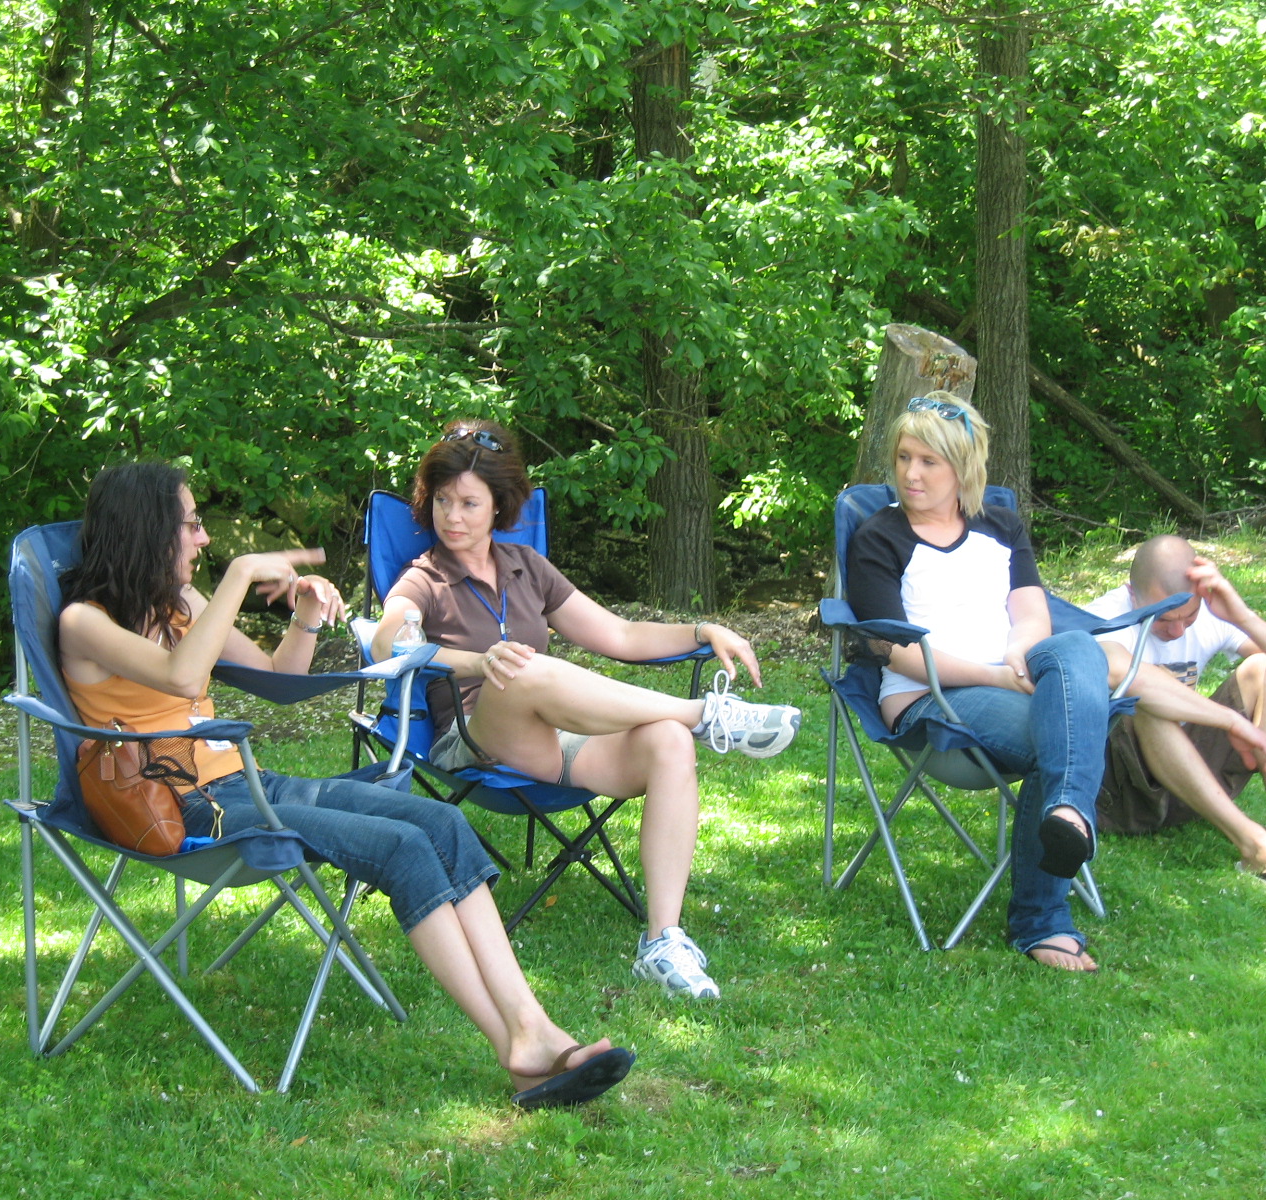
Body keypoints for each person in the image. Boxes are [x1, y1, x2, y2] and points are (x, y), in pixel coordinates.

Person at [56, 461, 634, 1109]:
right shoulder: (84, 622)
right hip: (185, 808)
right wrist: (240, 576)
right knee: (401, 847)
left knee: (441, 821)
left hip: (246, 783)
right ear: (146, 529)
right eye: (190, 524)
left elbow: (280, 680)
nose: (203, 537)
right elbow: (183, 678)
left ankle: (534, 1026)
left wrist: (305, 614)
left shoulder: (181, 605)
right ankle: (517, 1046)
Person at [368, 419, 802, 999]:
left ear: (499, 506)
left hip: (550, 742)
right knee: (522, 668)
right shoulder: (425, 577)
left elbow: (620, 635)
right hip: (473, 737)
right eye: (443, 500)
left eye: (469, 503)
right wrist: (478, 661)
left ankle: (663, 940)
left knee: (668, 742)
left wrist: (702, 629)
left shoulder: (526, 566)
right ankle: (705, 714)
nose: (453, 516)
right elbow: (386, 642)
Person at [844, 393, 1112, 972]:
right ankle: (1041, 920)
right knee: (1060, 735)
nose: (911, 474)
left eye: (928, 461)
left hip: (1009, 677)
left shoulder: (1001, 526)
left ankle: (1066, 813)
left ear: (963, 467)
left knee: (1076, 647)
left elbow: (1031, 612)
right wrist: (996, 677)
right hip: (930, 700)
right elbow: (898, 652)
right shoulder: (878, 538)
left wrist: (1017, 655)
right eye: (903, 458)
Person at [1089, 535, 1266, 891]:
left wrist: (1242, 616)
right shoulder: (1103, 617)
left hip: (1184, 783)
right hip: (1115, 797)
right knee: (1145, 695)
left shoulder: (1209, 612)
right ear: (1133, 594)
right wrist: (1233, 721)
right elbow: (1126, 675)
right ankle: (1255, 846)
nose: (1177, 630)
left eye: (1188, 616)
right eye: (1162, 619)